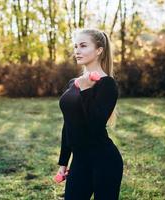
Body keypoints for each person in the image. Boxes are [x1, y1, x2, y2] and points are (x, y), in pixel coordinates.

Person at [56, 28, 124, 200]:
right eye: (76, 46)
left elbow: (95, 125)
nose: (77, 50)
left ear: (99, 50)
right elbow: (68, 124)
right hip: (79, 161)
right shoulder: (73, 83)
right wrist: (63, 162)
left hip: (105, 162)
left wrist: (86, 89)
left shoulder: (107, 84)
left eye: (83, 46)